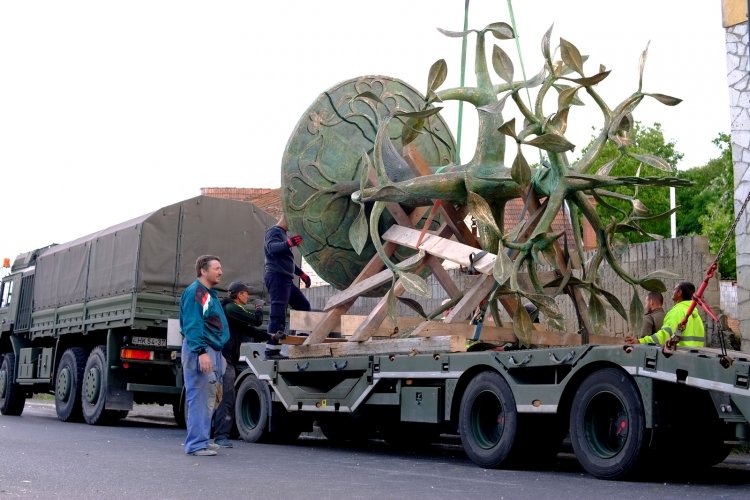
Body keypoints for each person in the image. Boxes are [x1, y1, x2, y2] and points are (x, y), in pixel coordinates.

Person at [212, 281, 280, 448]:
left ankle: (214, 432)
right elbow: (255, 322)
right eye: (245, 293)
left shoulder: (231, 310)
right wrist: (258, 308)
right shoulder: (232, 308)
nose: (248, 296)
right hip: (224, 358)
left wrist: (271, 337)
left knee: (222, 397)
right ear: (238, 294)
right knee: (227, 397)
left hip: (227, 357)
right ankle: (220, 436)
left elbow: (248, 330)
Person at [179, 255, 229, 456]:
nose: (221, 272)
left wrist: (218, 352)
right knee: (200, 397)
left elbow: (211, 323)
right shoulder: (197, 293)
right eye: (216, 268)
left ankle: (202, 440)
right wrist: (201, 352)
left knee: (209, 396)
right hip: (201, 349)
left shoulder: (207, 294)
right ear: (203, 271)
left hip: (211, 349)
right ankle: (196, 445)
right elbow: (194, 324)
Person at [263, 215, 311, 359]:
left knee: (303, 305)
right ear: (286, 218)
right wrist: (288, 243)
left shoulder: (282, 234)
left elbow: (287, 259)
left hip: (286, 279)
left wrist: (301, 274)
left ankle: (302, 335)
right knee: (278, 313)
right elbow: (272, 248)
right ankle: (271, 350)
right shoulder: (273, 232)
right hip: (277, 277)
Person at [625, 281, 705, 348]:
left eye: (674, 289)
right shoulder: (696, 315)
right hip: (696, 357)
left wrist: (640, 341)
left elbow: (665, 335)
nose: (672, 292)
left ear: (679, 293)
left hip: (681, 356)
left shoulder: (677, 312)